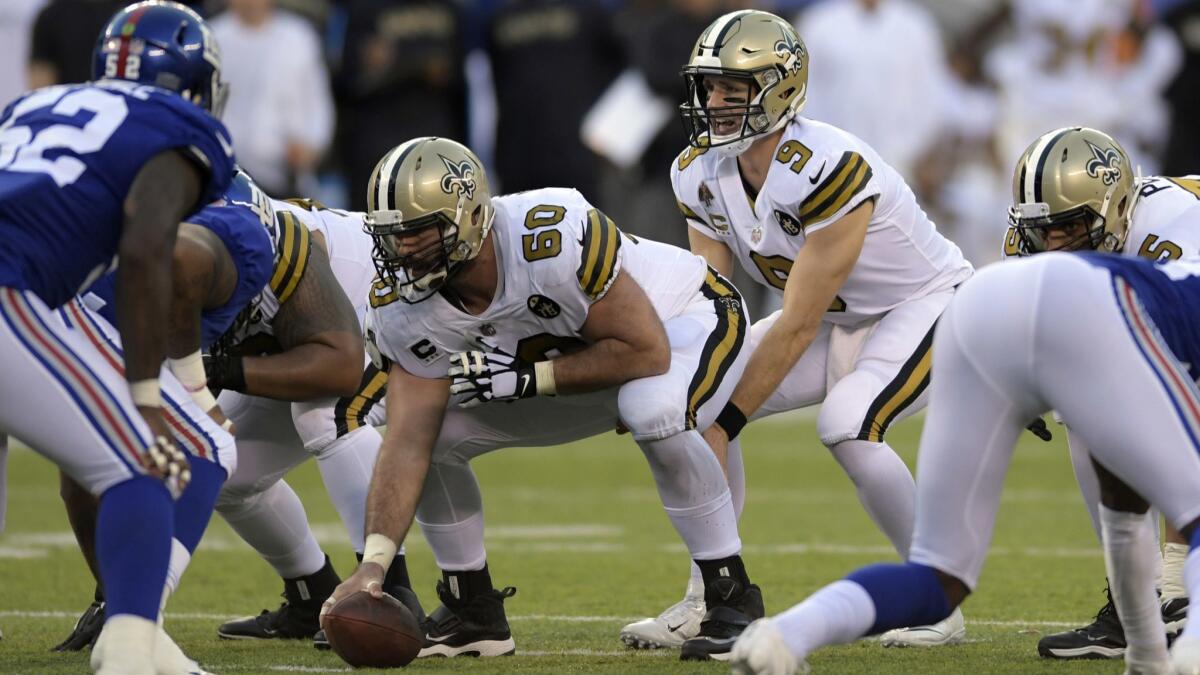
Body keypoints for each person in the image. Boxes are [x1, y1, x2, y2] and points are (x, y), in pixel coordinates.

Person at [322, 136, 759, 662]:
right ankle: (472, 609)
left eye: (417, 233)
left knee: (652, 409)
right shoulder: (400, 307)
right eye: (392, 237)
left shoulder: (548, 237)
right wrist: (374, 564)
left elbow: (646, 352)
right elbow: (407, 439)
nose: (402, 252)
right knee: (417, 424)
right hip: (576, 368)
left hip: (686, 320)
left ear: (468, 217)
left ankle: (732, 599)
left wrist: (527, 380)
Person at [621, 9, 974, 652]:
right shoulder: (697, 170)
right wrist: (683, 386)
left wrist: (729, 423)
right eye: (710, 86)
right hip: (840, 316)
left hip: (924, 303)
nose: (716, 102)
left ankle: (938, 593)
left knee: (846, 424)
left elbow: (800, 321)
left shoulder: (824, 164)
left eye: (735, 87)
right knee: (694, 411)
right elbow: (712, 301)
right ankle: (710, 598)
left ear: (781, 87)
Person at [729, 251, 1200, 675]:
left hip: (981, 303)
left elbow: (1124, 512)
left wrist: (1146, 659)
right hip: (1087, 310)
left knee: (939, 577)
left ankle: (785, 635)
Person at [0, 2, 234, 672]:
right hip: (13, 285)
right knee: (149, 460)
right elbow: (145, 243)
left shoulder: (31, 105)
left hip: (34, 286)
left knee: (197, 442)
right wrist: (143, 392)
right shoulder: (178, 125)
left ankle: (142, 641)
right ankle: (130, 647)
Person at [48, 170, 275, 654]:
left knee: (84, 475)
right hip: (57, 324)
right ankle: (135, 624)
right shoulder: (245, 235)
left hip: (42, 308)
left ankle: (119, 605)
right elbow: (183, 260)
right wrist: (196, 388)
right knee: (208, 442)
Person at [1000, 125, 1200, 659]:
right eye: (1043, 231)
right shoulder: (1064, 237)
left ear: (1112, 210)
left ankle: (1177, 591)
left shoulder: (1175, 240)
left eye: (1068, 228)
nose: (1053, 244)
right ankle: (1136, 597)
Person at [205, 191, 425, 647]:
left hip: (377, 308)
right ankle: (311, 593)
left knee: (326, 414)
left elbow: (339, 366)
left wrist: (216, 369)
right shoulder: (156, 243)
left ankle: (386, 586)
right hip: (292, 338)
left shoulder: (261, 237)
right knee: (216, 465)